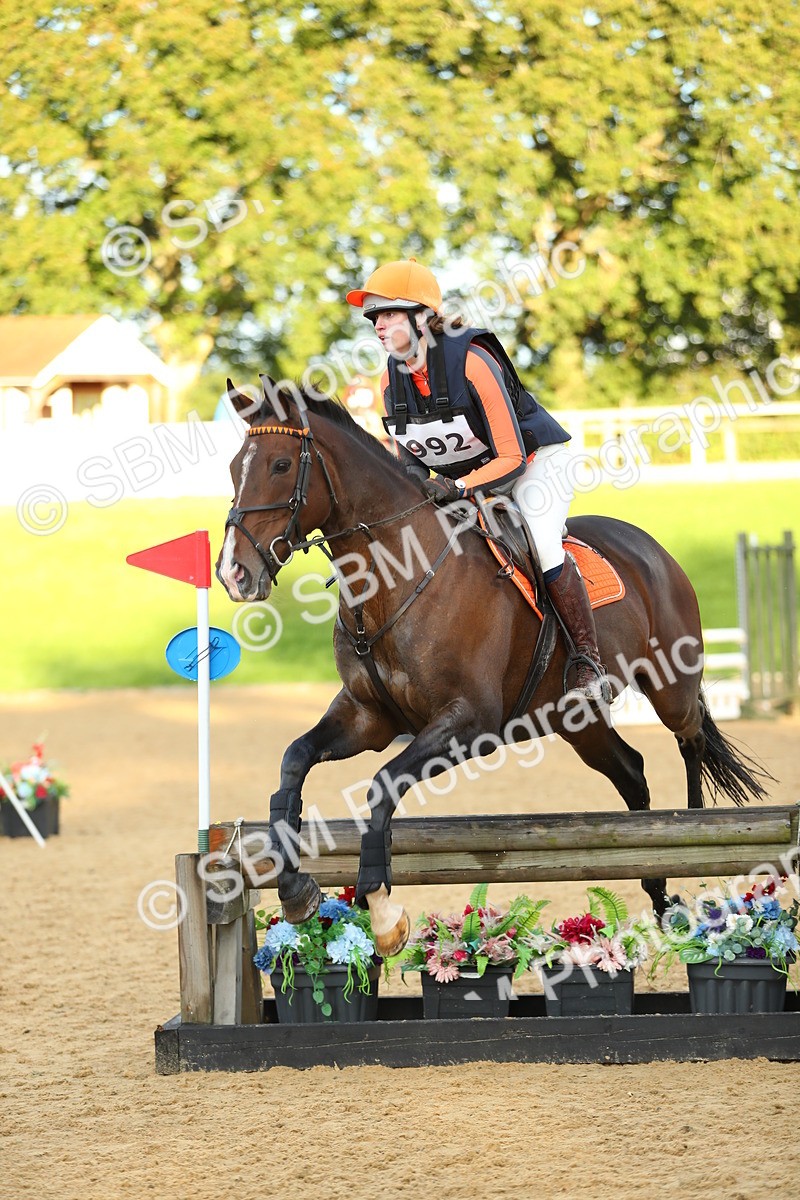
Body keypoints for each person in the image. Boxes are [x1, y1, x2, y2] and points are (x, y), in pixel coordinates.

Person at [346, 257, 607, 704]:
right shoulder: (393, 384)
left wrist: (458, 489)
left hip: (534, 464)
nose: (378, 325)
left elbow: (510, 458)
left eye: (387, 313)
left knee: (541, 543)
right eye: (374, 317)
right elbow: (411, 466)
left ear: (421, 316)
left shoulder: (472, 360)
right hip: (469, 481)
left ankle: (588, 662)